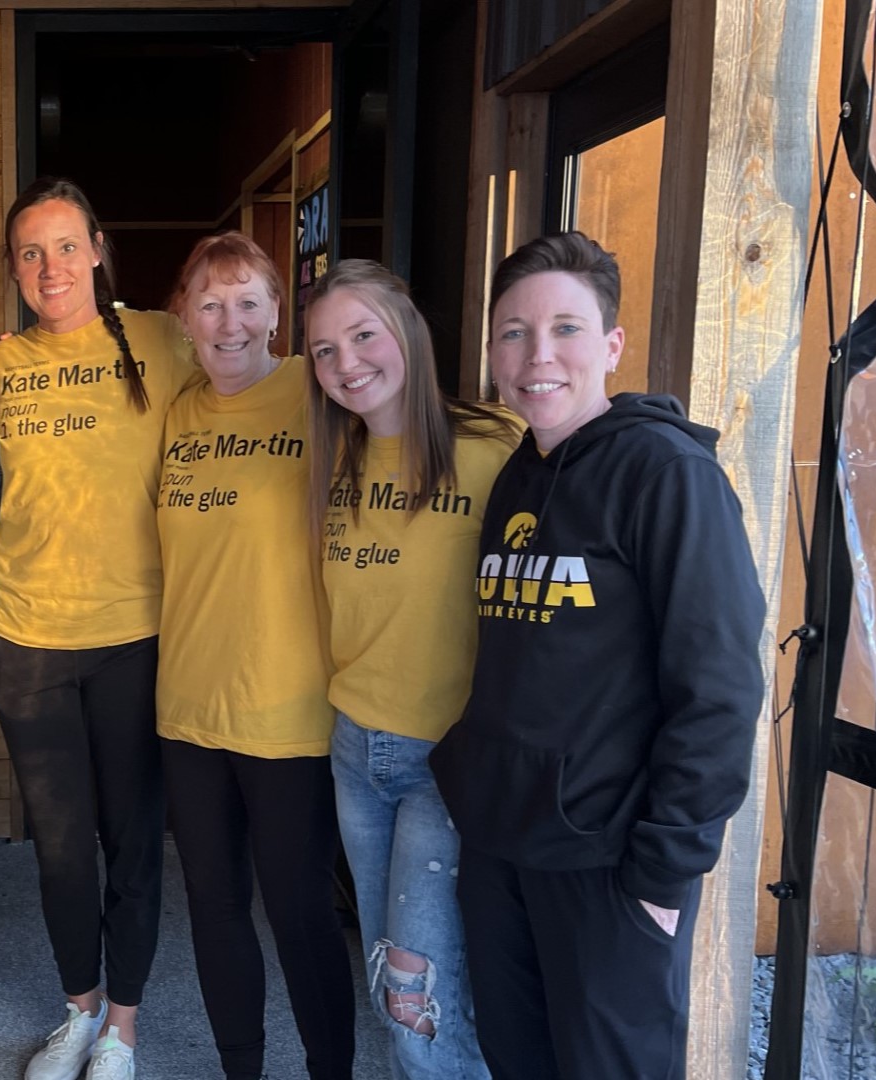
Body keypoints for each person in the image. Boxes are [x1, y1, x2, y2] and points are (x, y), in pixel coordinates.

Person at [428, 231, 766, 1080]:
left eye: (566, 329)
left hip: (608, 864)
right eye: (513, 332)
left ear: (612, 345)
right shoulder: (518, 473)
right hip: (503, 847)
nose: (537, 355)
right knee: (517, 1061)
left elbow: (719, 690)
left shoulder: (668, 475)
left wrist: (661, 877)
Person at [0, 178, 198, 1080]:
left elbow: (247, 381)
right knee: (62, 850)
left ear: (99, 247)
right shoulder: (3, 362)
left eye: (66, 246)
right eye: (31, 253)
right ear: (15, 269)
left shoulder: (163, 340)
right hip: (26, 635)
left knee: (131, 843)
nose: (51, 267)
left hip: (134, 638)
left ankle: (122, 1027)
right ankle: (75, 1011)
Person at [306, 260, 516, 1079]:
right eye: (324, 350)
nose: (346, 363)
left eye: (363, 335)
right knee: (391, 971)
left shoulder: (494, 447)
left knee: (415, 995)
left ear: (409, 332)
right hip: (356, 749)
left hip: (447, 761)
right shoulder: (336, 459)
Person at [154, 232, 352, 1080]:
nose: (228, 322)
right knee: (214, 906)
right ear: (184, 319)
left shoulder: (322, 391)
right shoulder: (176, 410)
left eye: (247, 302)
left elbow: (425, 421)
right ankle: (243, 1068)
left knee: (301, 910)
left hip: (290, 709)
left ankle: (331, 1070)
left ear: (280, 312)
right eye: (208, 303)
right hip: (188, 710)